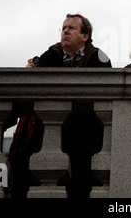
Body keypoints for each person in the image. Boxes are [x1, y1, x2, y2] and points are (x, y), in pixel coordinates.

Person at [26, 13, 111, 198]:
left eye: (71, 28)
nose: (65, 31)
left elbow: (104, 92)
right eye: (63, 28)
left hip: (86, 134)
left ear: (85, 35)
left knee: (81, 185)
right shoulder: (49, 55)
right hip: (50, 132)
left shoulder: (100, 58)